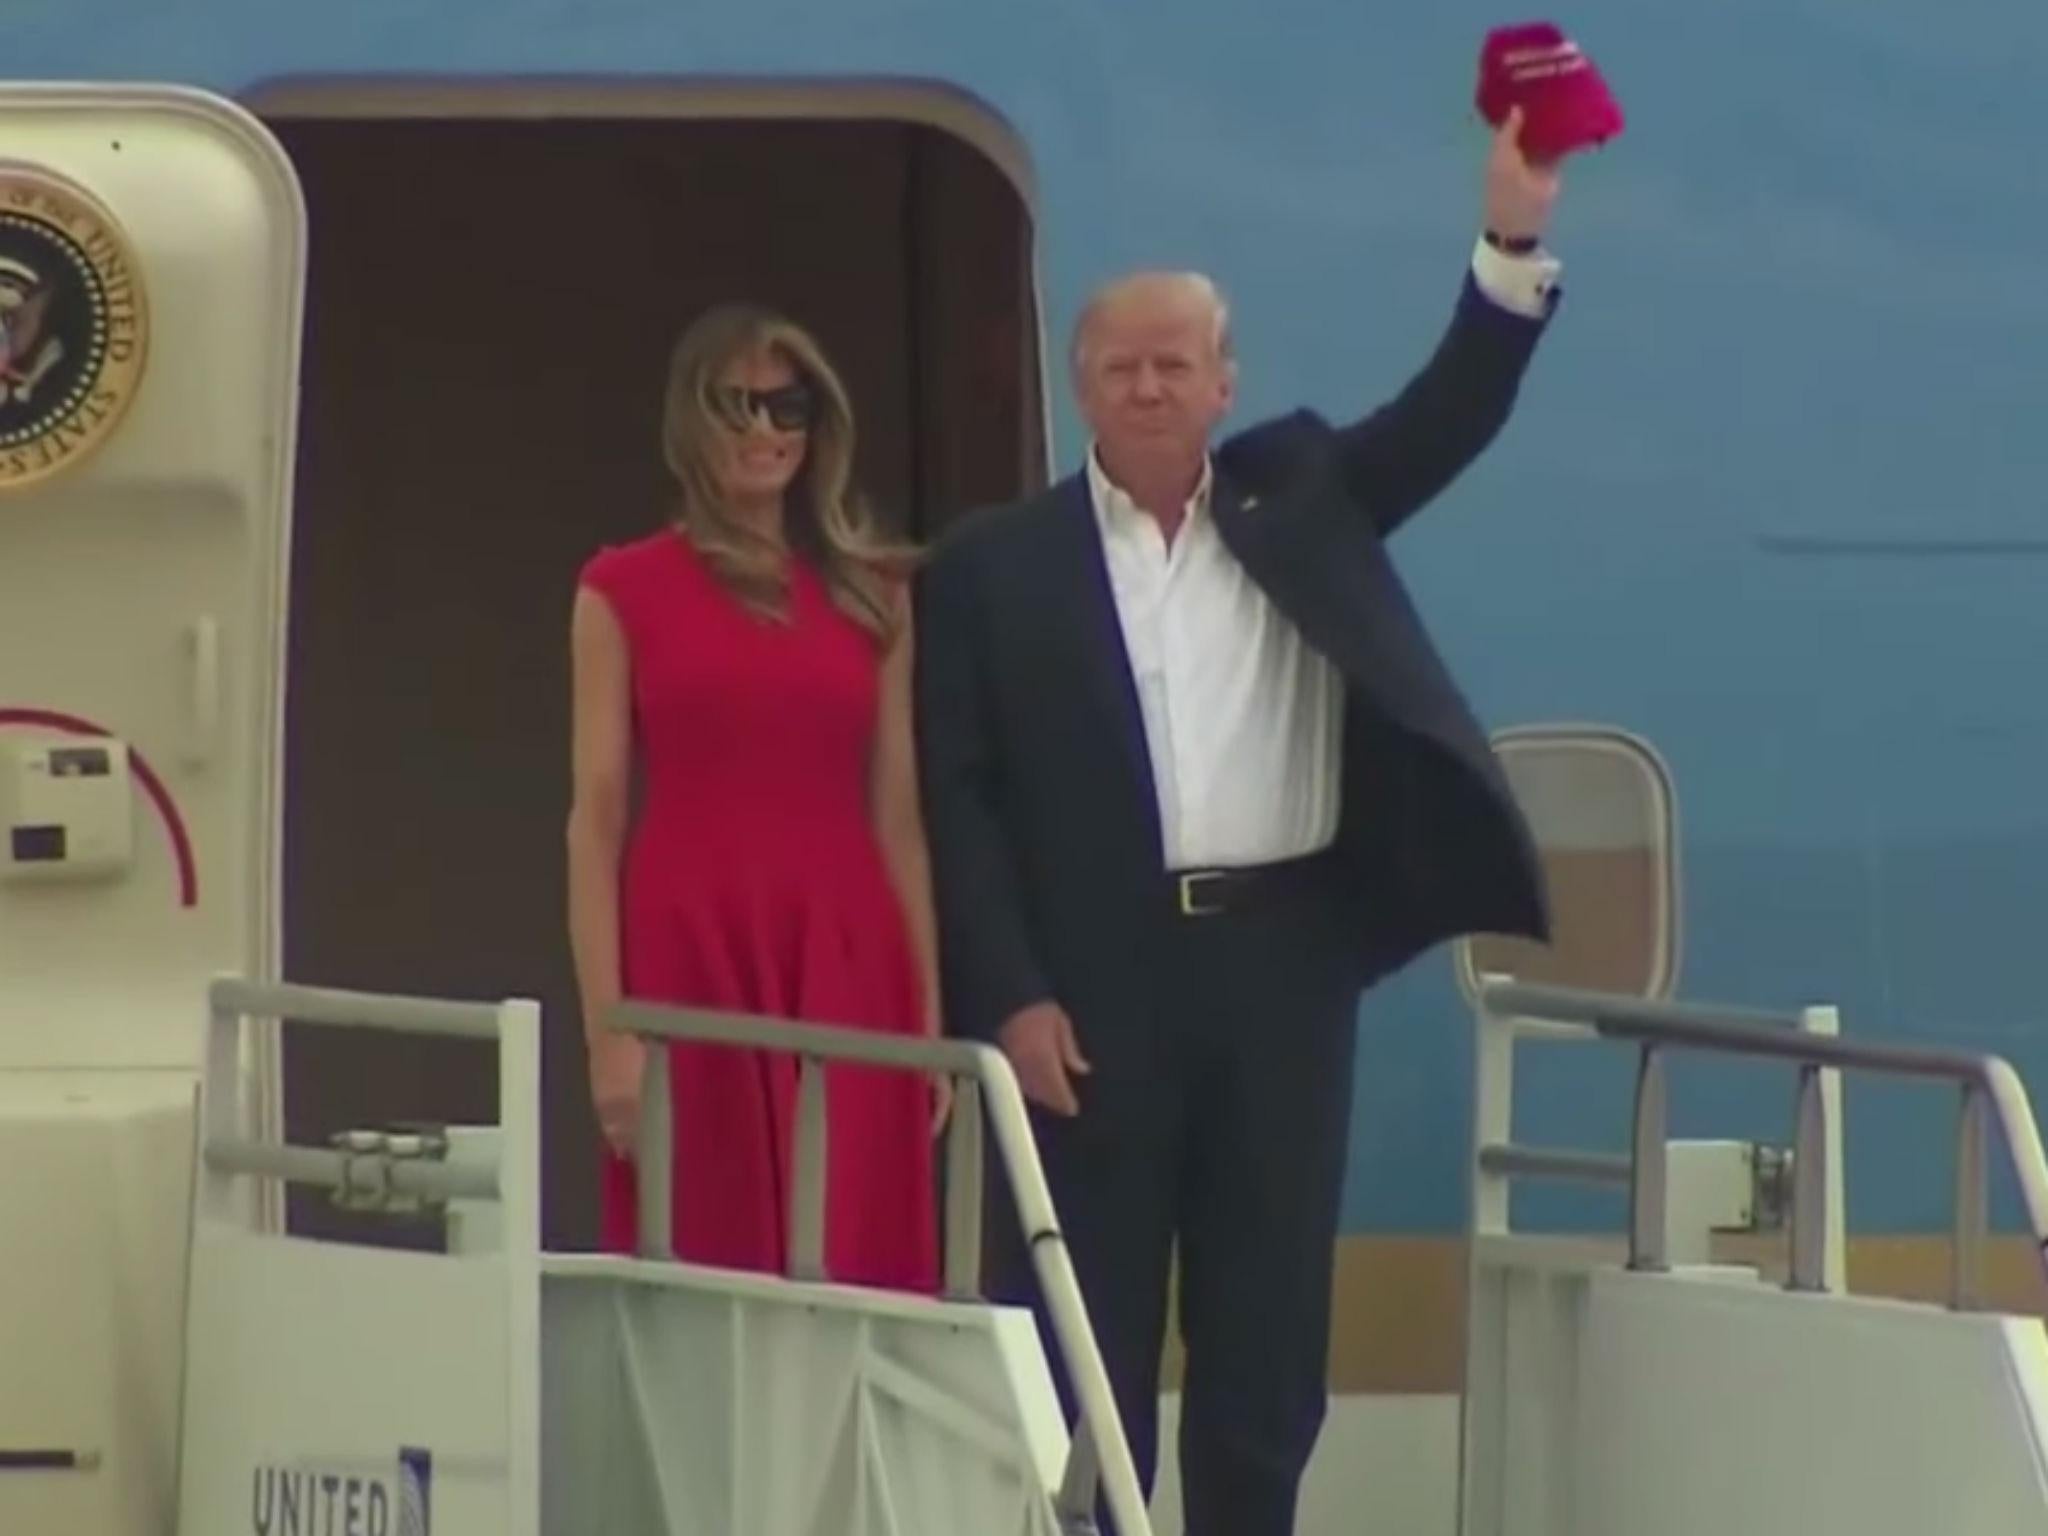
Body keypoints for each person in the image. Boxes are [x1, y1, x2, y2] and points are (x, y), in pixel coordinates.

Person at [915, 109, 1564, 1530]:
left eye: (1176, 365)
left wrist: (1510, 241)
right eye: (1121, 365)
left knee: (1266, 1325)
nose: (1149, 388)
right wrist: (1010, 993)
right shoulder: (989, 569)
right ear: (1079, 382)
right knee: (1084, 1309)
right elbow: (954, 804)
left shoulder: (1305, 499)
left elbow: (1449, 412)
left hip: (1282, 962)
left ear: (1223, 384)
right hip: (1093, 983)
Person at [566, 303, 942, 1291]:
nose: (765, 430)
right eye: (736, 405)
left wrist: (929, 1021)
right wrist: (609, 1037)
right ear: (690, 420)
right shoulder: (621, 589)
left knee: (853, 1254)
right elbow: (594, 820)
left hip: (848, 953)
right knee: (699, 1244)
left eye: (789, 406)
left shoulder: (874, 590)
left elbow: (898, 814)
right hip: (687, 952)